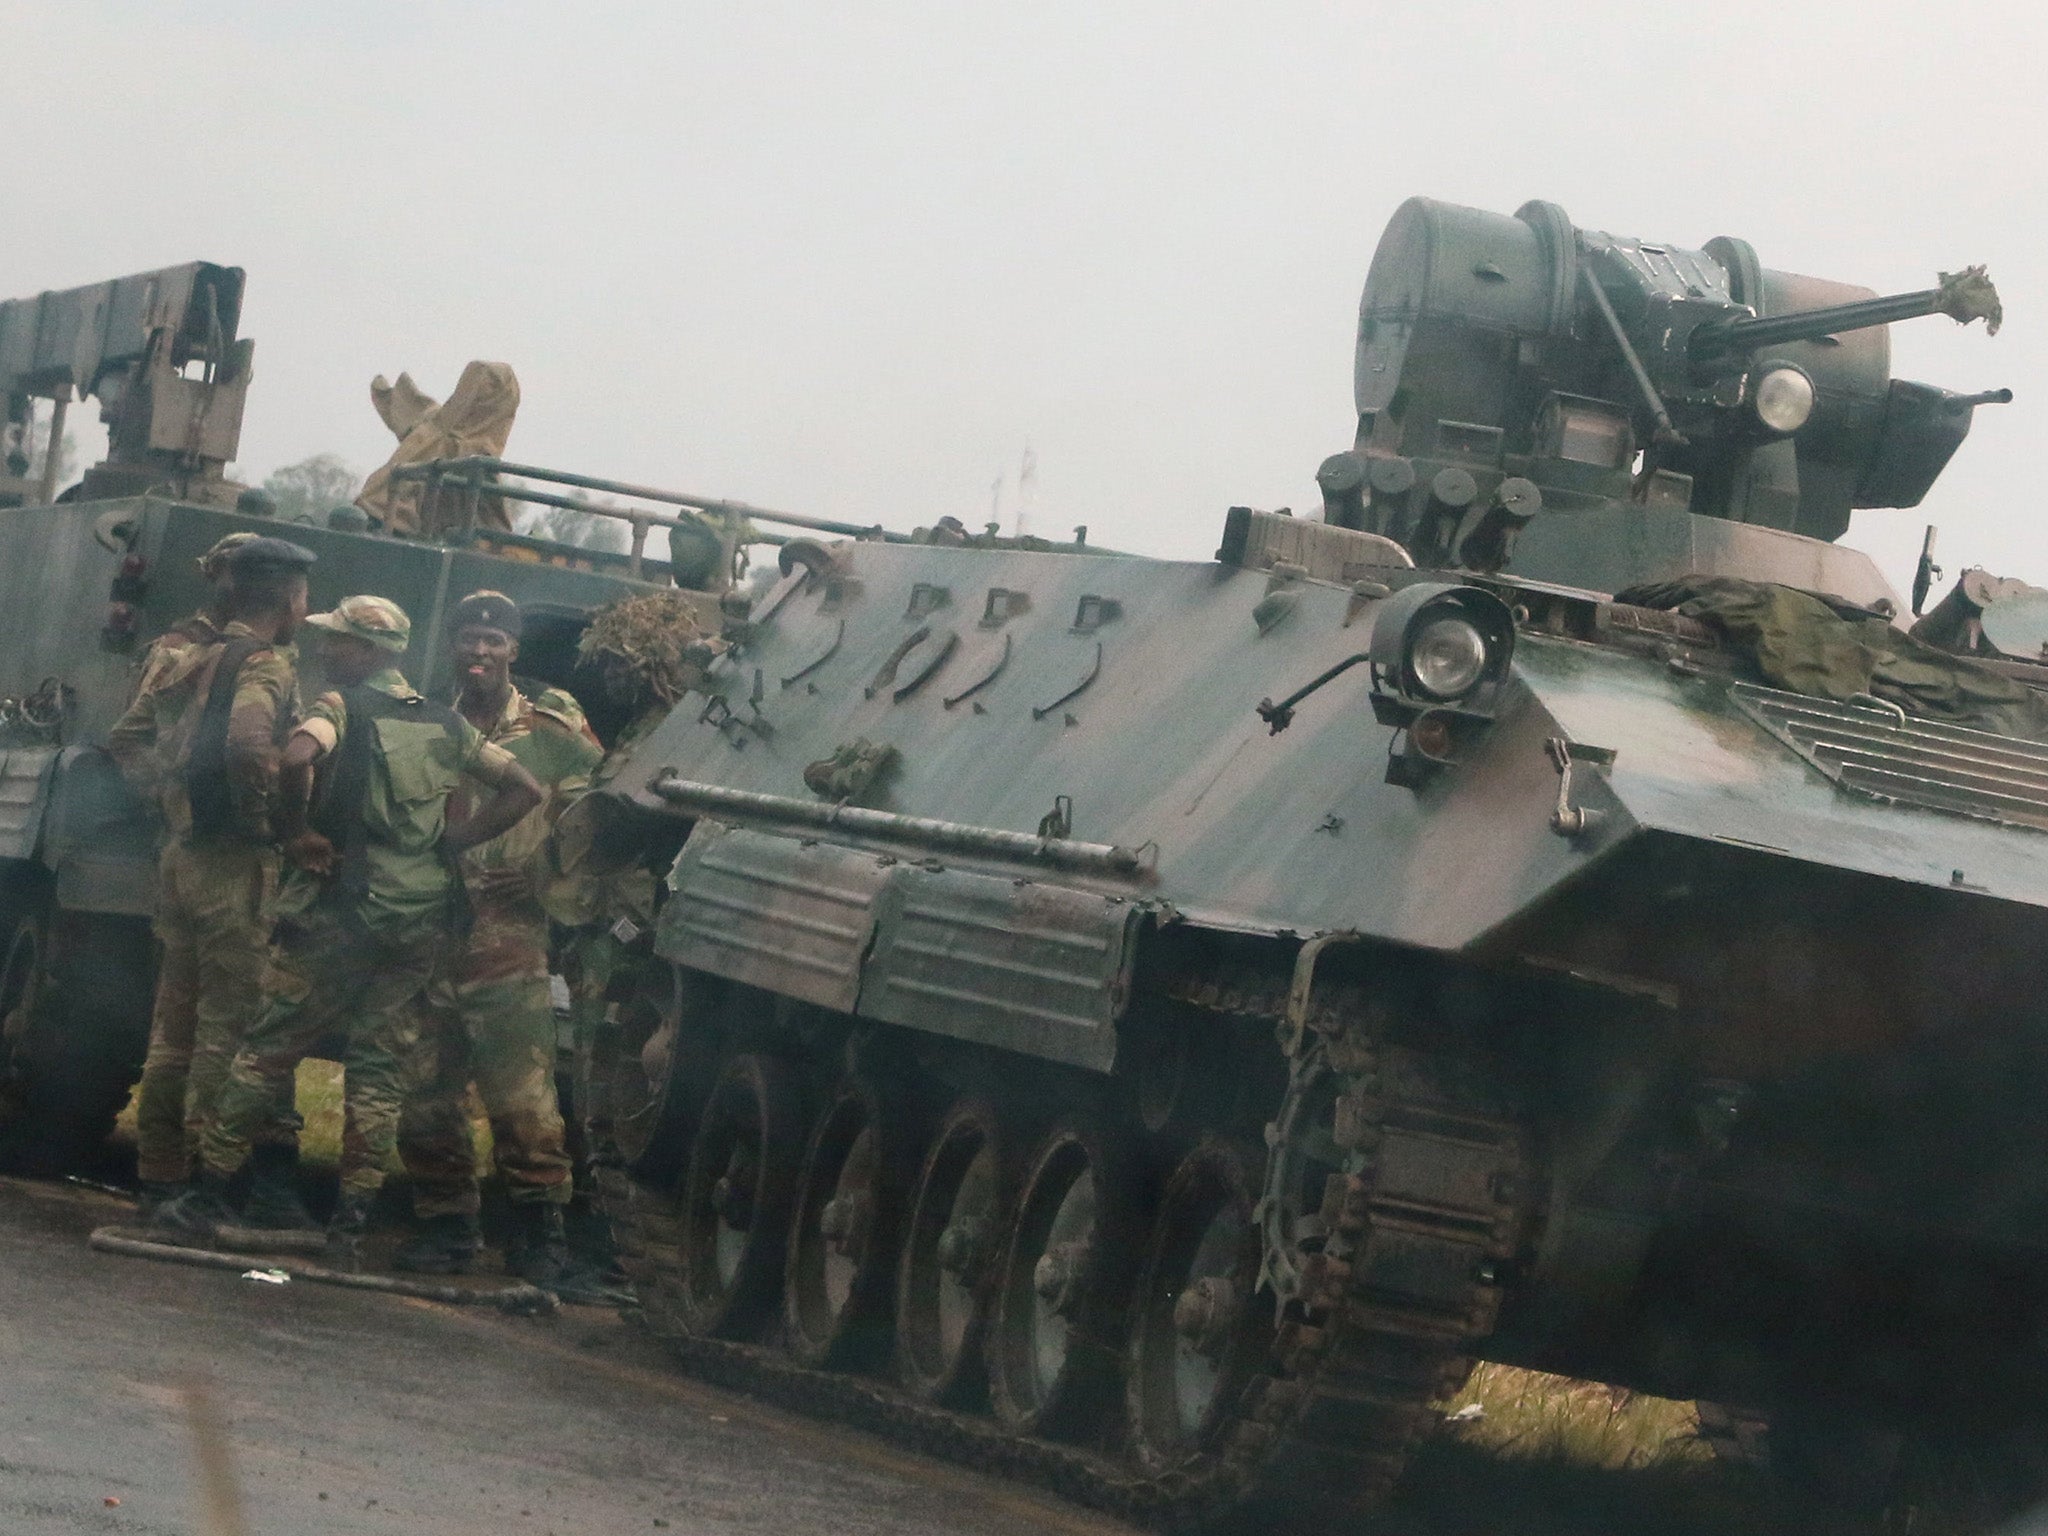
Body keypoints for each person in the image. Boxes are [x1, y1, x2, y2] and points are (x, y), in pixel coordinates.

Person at [156, 595, 542, 1250]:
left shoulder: (336, 706)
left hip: (341, 914)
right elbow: (526, 789)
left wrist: (296, 831)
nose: (325, 650)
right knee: (380, 1069)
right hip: (419, 917)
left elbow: (296, 758)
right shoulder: (446, 723)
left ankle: (208, 1193)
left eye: (337, 641)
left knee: (267, 1052)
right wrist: (457, 843)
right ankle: (351, 1220)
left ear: (368, 651)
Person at [392, 591, 601, 1286]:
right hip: (429, 931)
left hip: (508, 936)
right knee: (425, 1088)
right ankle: (446, 1224)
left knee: (523, 1098)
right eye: (469, 638)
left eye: (494, 640)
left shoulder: (550, 727)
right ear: (452, 646)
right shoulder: (428, 721)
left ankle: (540, 1238)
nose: (480, 650)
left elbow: (596, 811)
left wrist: (544, 878)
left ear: (514, 651)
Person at [106, 537, 315, 1219]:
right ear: (287, 600)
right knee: (227, 1032)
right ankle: (202, 1184)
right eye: (303, 598)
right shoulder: (267, 663)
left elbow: (127, 737)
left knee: (173, 1030)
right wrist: (284, 825)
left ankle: (160, 1175)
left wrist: (168, 798)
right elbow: (251, 743)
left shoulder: (189, 655)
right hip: (235, 865)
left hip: (182, 858)